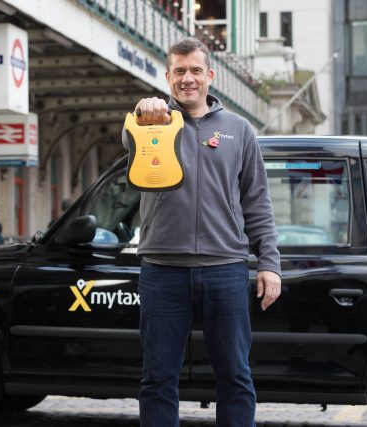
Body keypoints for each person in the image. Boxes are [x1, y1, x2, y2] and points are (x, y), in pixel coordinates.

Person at [125, 37, 281, 426]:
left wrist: (270, 263)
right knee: (158, 379)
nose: (188, 79)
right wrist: (144, 114)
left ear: (210, 75)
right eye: (179, 71)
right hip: (162, 269)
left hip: (225, 268)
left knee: (235, 377)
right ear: (168, 76)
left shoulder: (239, 130)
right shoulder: (151, 124)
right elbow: (130, 145)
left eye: (195, 70)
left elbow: (257, 201)